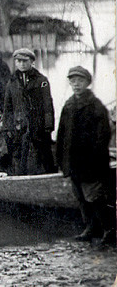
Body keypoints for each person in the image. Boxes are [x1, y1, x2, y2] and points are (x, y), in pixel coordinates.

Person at [55, 66, 114, 245]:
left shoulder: (95, 105)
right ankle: (90, 227)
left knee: (94, 196)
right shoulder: (69, 105)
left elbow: (103, 135)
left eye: (80, 81)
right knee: (80, 197)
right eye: (72, 81)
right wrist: (60, 159)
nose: (76, 84)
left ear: (87, 83)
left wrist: (94, 158)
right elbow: (61, 134)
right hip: (73, 162)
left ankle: (109, 229)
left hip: (91, 162)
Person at [3, 48, 56, 175]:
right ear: (15, 62)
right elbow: (8, 107)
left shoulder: (41, 80)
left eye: (25, 61)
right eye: (19, 61)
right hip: (19, 125)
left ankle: (47, 175)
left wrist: (48, 126)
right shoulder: (12, 82)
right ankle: (20, 177)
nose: (21, 64)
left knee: (42, 153)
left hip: (38, 125)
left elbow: (47, 104)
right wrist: (7, 126)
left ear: (32, 62)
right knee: (19, 154)